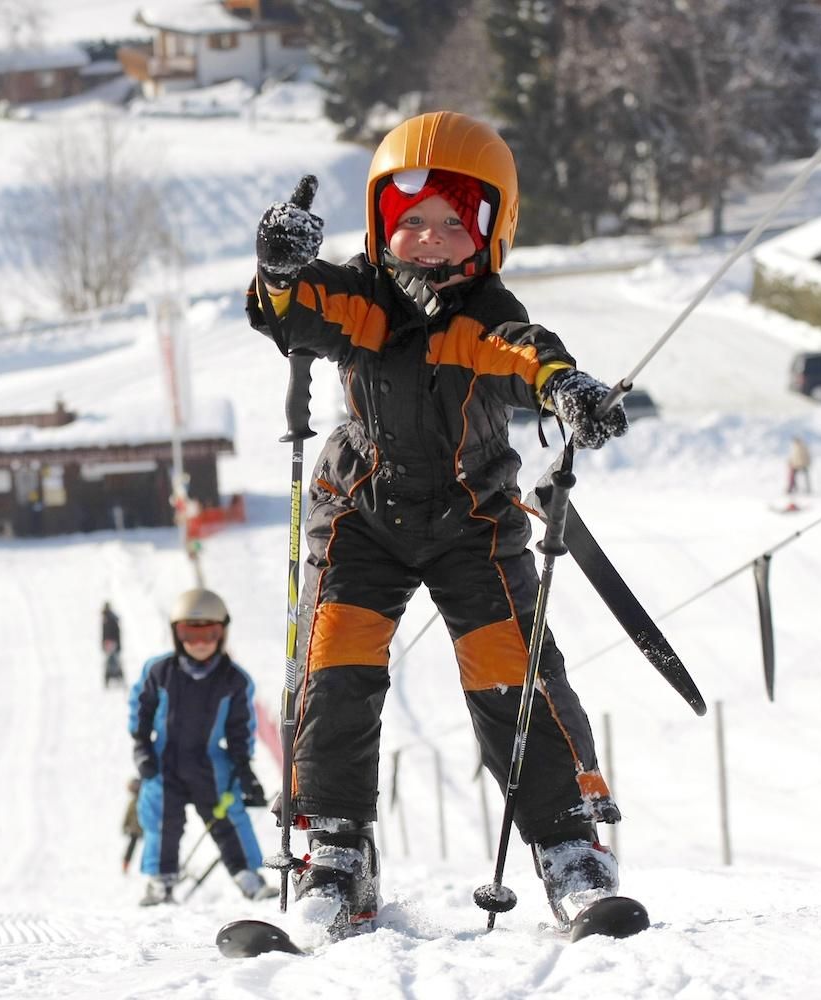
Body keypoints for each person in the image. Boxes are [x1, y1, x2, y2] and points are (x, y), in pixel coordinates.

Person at [248, 111, 630, 938]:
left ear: (492, 229)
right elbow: (299, 310)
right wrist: (279, 275)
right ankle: (337, 855)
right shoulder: (364, 300)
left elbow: (527, 354)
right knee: (337, 663)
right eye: (410, 222)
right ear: (384, 225)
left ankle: (570, 848)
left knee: (511, 673)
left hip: (472, 522)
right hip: (363, 517)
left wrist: (567, 389)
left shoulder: (484, 316)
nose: (428, 240)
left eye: (453, 224)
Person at [129, 588, 277, 905]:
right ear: (176, 633)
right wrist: (141, 745)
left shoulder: (234, 680)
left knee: (229, 814)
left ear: (221, 633)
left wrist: (243, 767)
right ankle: (160, 881)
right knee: (160, 818)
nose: (199, 643)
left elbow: (241, 728)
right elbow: (140, 709)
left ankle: (248, 876)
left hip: (209, 761)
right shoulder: (159, 672)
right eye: (189, 633)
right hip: (164, 759)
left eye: (209, 634)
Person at [101, 601, 124, 687]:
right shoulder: (107, 619)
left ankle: (118, 679)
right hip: (110, 644)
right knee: (111, 662)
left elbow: (114, 633)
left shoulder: (109, 619)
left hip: (112, 643)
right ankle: (110, 680)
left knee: (114, 662)